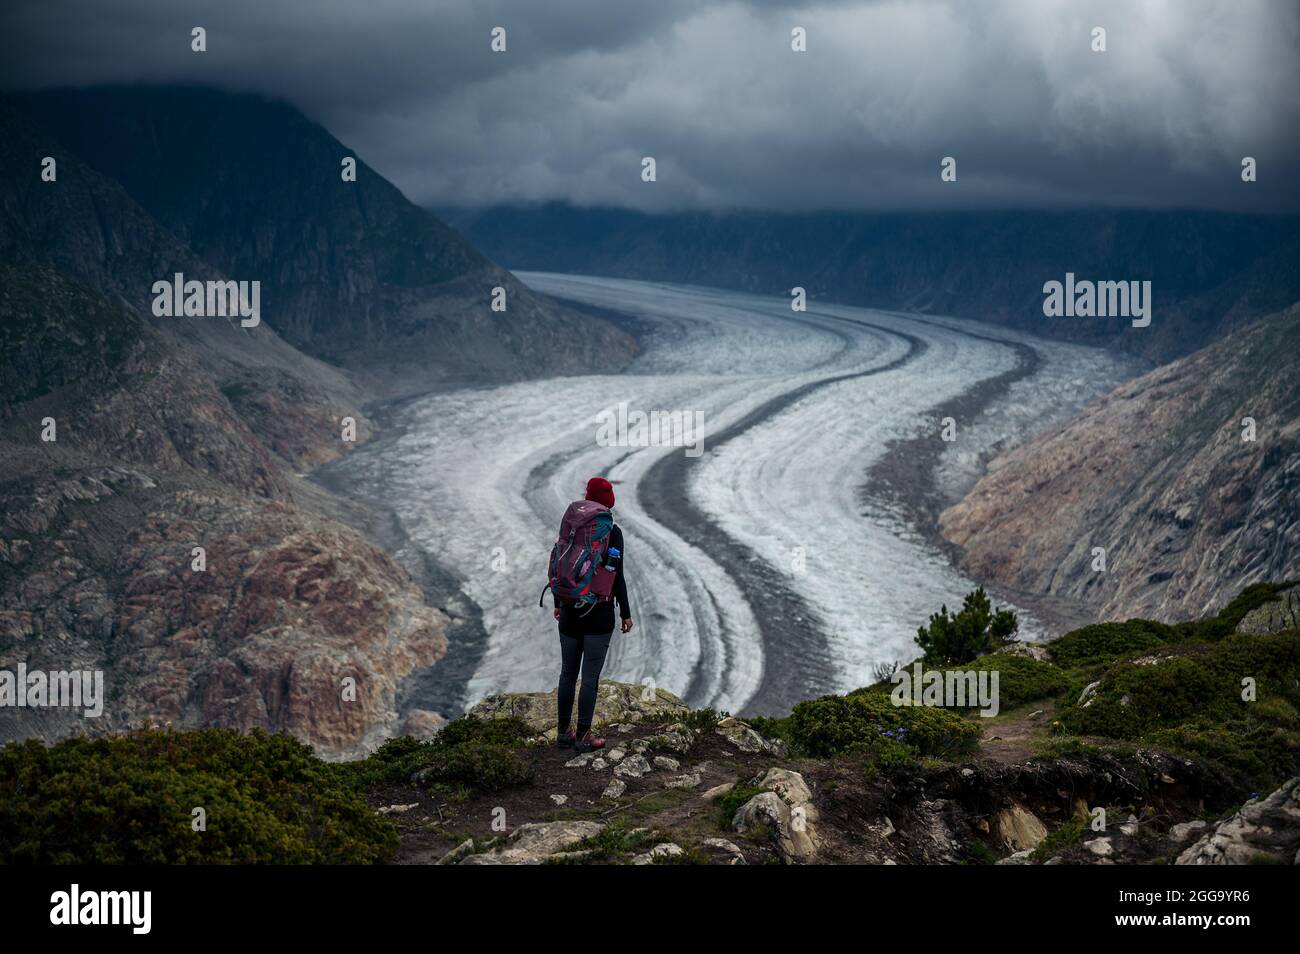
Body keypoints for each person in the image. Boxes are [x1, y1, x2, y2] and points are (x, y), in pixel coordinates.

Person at [554, 476, 634, 752]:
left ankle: (563, 731)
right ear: (609, 501)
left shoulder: (572, 526)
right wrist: (625, 611)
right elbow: (616, 575)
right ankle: (584, 735)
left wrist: (558, 601)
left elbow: (561, 563)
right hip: (598, 613)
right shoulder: (612, 532)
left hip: (568, 610)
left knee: (567, 674)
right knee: (589, 677)